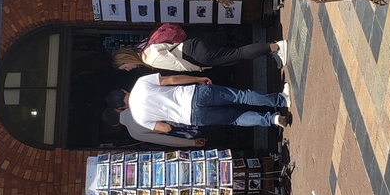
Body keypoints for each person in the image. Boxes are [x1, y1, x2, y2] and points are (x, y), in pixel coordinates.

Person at [106, 74, 291, 131]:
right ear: (123, 90)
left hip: (192, 117)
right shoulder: (141, 83)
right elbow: (171, 80)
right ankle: (280, 100)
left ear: (120, 108)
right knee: (240, 96)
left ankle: (272, 120)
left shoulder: (138, 118)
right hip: (193, 94)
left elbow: (167, 129)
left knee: (234, 118)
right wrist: (197, 78)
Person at [112, 37, 287, 72]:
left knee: (239, 54)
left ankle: (275, 46)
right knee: (235, 53)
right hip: (193, 44)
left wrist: (199, 68)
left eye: (124, 67)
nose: (128, 69)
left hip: (198, 56)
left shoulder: (151, 59)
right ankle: (271, 49)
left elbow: (178, 66)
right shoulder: (145, 46)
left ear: (127, 60)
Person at [102, 92, 205, 148]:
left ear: (115, 125)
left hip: (189, 127)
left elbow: (165, 140)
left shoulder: (134, 133)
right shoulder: (134, 102)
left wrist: (192, 143)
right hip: (185, 103)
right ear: (117, 109)